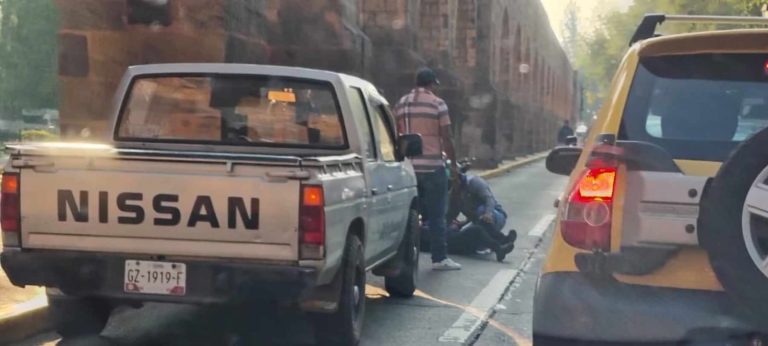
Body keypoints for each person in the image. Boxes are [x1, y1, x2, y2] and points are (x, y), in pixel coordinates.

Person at [395, 68, 462, 271]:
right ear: (432, 84)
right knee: (436, 215)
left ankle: (405, 257)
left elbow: (396, 132)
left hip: (408, 168)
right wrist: (453, 164)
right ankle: (439, 258)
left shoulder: (401, 103)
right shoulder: (438, 104)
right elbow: (447, 137)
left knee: (408, 215)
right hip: (433, 167)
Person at [447, 173, 516, 262]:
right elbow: (449, 216)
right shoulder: (452, 195)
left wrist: (488, 213)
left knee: (481, 218)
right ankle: (500, 246)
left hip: (494, 215)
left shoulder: (474, 182)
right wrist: (454, 225)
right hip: (450, 239)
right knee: (476, 230)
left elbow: (489, 199)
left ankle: (502, 242)